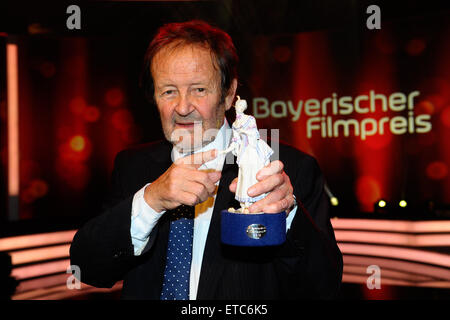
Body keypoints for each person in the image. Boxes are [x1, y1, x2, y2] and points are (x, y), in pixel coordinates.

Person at [70, 20, 343, 300]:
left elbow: (324, 286)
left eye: (199, 89)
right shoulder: (132, 166)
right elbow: (87, 268)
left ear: (228, 94)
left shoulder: (285, 170)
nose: (183, 107)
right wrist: (151, 200)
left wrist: (285, 214)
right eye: (168, 91)